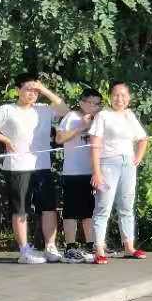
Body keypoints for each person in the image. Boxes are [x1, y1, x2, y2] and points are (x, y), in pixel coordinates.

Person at [0, 76, 69, 264]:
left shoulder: (44, 110)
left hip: (42, 166)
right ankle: (24, 251)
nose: (32, 94)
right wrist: (4, 139)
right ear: (18, 90)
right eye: (28, 89)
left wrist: (44, 89)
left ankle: (50, 247)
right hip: (18, 166)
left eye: (35, 91)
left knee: (49, 208)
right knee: (21, 209)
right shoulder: (7, 110)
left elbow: (65, 110)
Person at [88, 83, 150, 263]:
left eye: (123, 95)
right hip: (108, 164)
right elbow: (95, 145)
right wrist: (96, 172)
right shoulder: (103, 115)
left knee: (126, 206)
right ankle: (99, 249)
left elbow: (143, 138)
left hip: (127, 164)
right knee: (103, 207)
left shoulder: (130, 115)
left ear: (129, 98)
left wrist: (137, 158)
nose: (119, 99)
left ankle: (129, 246)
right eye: (116, 95)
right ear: (110, 97)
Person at [54, 88, 102, 263]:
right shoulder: (72, 117)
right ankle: (70, 247)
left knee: (90, 211)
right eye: (91, 103)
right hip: (73, 172)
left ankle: (90, 245)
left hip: (92, 172)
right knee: (72, 211)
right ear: (82, 103)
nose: (94, 106)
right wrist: (80, 127)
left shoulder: (99, 120)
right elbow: (59, 139)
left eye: (97, 104)